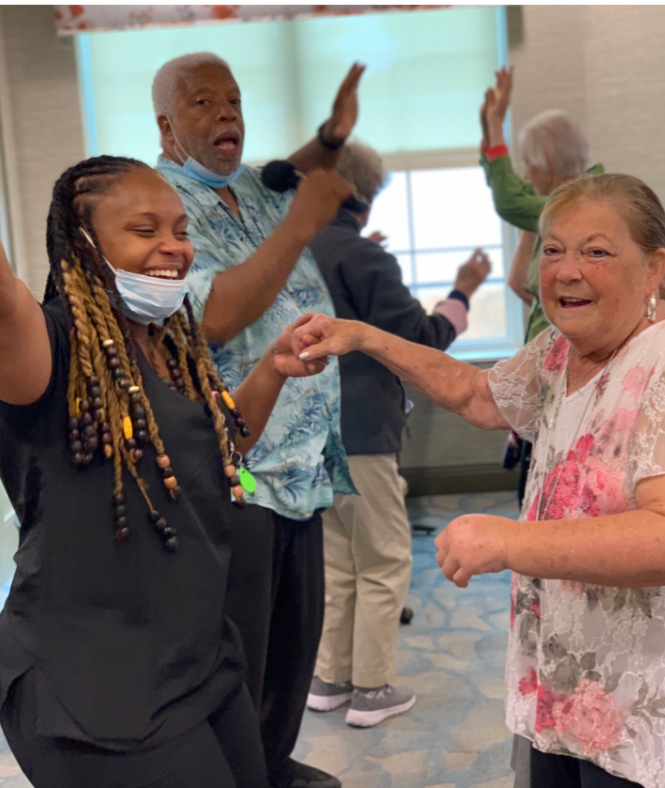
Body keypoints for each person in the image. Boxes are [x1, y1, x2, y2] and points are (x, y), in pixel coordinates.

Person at [292, 173, 665, 788]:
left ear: (654, 266)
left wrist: (509, 542)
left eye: (597, 251)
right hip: (568, 680)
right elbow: (477, 394)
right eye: (553, 249)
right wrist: (363, 337)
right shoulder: (561, 348)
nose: (566, 270)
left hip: (647, 696)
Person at [0, 155, 330, 788]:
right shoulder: (48, 348)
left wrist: (270, 370)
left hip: (195, 658)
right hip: (91, 684)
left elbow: (213, 449)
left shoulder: (167, 344)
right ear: (84, 244)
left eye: (180, 230)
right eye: (145, 230)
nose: (173, 248)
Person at [152, 52, 362, 788]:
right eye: (204, 103)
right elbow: (215, 313)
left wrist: (330, 140)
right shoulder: (163, 204)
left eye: (233, 101)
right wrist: (301, 227)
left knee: (292, 649)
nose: (226, 115)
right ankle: (239, 773)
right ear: (167, 126)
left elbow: (285, 172)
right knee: (238, 654)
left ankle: (270, 764)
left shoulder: (249, 187)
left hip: (301, 465)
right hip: (237, 470)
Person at [305, 141, 492, 726]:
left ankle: (330, 679)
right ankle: (372, 689)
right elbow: (425, 341)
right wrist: (463, 292)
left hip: (308, 436)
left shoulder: (290, 251)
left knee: (338, 562)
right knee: (385, 560)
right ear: (366, 195)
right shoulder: (364, 257)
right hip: (363, 434)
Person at [480, 67, 604, 536]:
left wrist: (494, 132)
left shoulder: (581, 200)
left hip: (577, 372)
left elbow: (508, 200)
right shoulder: (560, 210)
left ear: (548, 159)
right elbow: (523, 281)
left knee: (557, 498)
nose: (526, 178)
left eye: (529, 166)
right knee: (538, 491)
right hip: (550, 368)